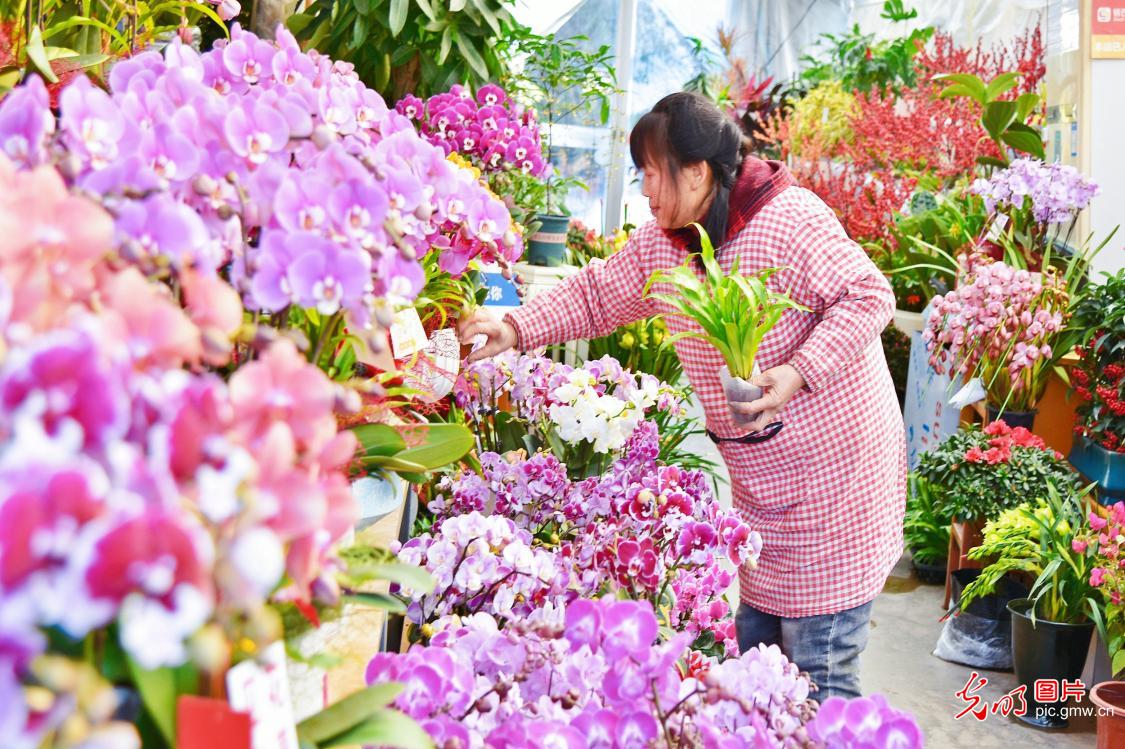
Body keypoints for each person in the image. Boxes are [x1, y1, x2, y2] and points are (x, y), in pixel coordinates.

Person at [457, 91, 906, 700]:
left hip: (837, 488)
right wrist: (511, 328)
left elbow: (870, 296)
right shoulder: (670, 241)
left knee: (820, 682)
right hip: (764, 498)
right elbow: (596, 293)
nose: (644, 189)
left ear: (697, 172)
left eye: (651, 172)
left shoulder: (789, 220)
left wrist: (798, 371)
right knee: (762, 683)